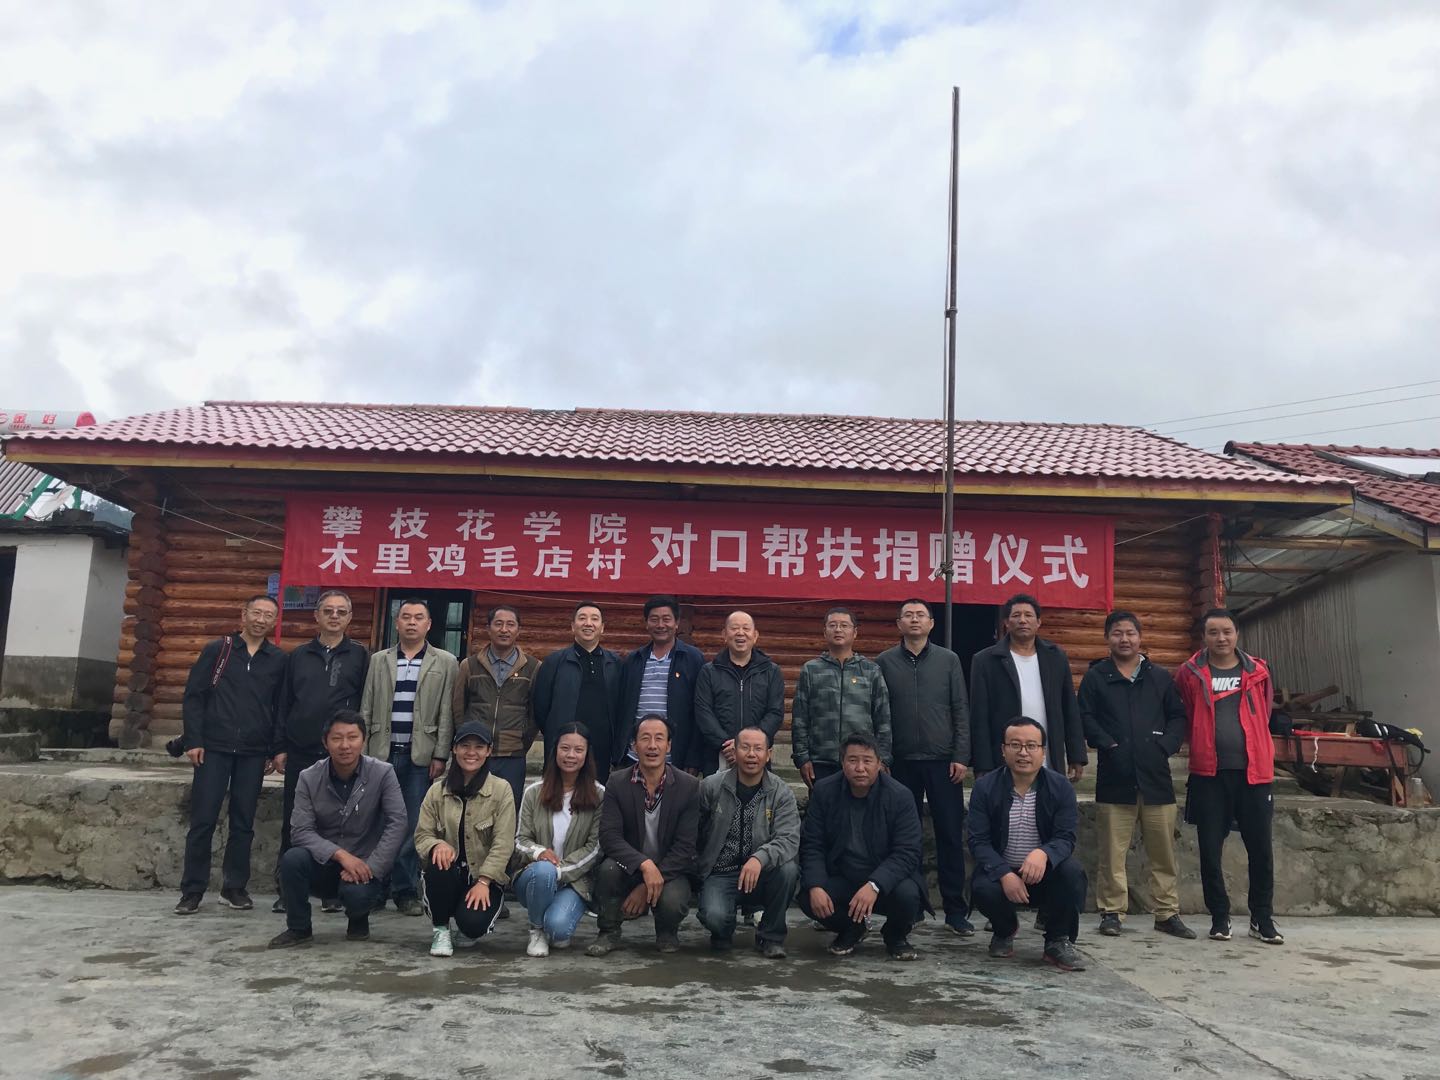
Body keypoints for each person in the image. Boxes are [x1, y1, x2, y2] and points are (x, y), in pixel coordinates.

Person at [1079, 610, 1193, 939]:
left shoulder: (1159, 677)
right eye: (1117, 633)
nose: (1124, 639)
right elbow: (1085, 716)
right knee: (1112, 853)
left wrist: (1165, 746)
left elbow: (1177, 716)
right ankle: (1112, 912)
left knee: (1163, 852)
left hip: (1156, 778)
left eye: (1130, 633)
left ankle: (1166, 913)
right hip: (1115, 777)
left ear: (1140, 638)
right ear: (1107, 638)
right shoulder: (1097, 677)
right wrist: (1107, 744)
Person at [1174, 608, 1283, 946]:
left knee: (1261, 850)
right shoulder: (1189, 673)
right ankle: (1219, 917)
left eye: (1227, 631)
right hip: (1209, 775)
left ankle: (1262, 918)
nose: (1221, 638)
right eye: (1213, 632)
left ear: (1237, 634)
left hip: (1254, 773)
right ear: (1203, 637)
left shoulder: (1258, 671)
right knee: (1210, 849)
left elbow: (1264, 712)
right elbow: (1187, 713)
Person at [174, 594, 286, 916]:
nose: (261, 620)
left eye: (268, 615)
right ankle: (192, 890)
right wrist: (194, 740)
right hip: (213, 748)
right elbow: (194, 696)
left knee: (243, 822)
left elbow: (279, 707)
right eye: (256, 613)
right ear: (244, 614)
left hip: (253, 751)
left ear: (274, 621)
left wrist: (274, 749)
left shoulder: (278, 659)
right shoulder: (218, 650)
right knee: (203, 820)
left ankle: (234, 887)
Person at [268, 710, 408, 948]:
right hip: (323, 863)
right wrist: (341, 856)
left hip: (364, 865)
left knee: (358, 895)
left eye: (352, 737)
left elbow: (398, 822)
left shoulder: (383, 773)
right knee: (292, 860)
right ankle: (299, 928)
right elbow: (301, 831)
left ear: (363, 740)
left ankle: (358, 920)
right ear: (325, 742)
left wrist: (370, 867)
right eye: (337, 738)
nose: (345, 745)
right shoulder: (308, 777)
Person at [876, 598, 974, 936]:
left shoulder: (949, 660)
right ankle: (913, 905)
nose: (915, 620)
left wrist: (961, 755)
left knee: (950, 834)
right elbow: (879, 713)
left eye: (921, 615)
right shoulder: (885, 661)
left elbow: (960, 709)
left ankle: (955, 910)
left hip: (943, 762)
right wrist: (883, 757)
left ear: (931, 623)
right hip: (900, 762)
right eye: (908, 615)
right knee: (906, 836)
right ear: (898, 624)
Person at [268, 589, 369, 914]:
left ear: (349, 618)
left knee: (340, 821)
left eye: (341, 611)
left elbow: (365, 703)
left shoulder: (360, 656)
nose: (334, 616)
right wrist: (280, 746)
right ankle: (288, 890)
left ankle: (331, 890)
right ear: (317, 616)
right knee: (295, 820)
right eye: (328, 611)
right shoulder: (298, 656)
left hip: (342, 754)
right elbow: (284, 702)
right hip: (301, 750)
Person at [360, 598, 460, 916]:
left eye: (419, 617)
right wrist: (363, 751)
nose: (412, 622)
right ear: (397, 622)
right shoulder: (379, 660)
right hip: (381, 752)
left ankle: (404, 889)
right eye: (406, 617)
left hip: (421, 756)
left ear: (429, 624)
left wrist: (441, 753)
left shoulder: (445, 661)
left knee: (413, 823)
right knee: (379, 821)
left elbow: (447, 712)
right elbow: (366, 705)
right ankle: (377, 885)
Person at [968, 717, 1088, 972]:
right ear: (1003, 750)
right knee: (982, 887)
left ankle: (1057, 940)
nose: (1023, 752)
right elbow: (978, 841)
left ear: (1043, 752)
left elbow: (1066, 837)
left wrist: (1044, 853)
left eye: (1031, 746)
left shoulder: (1060, 787)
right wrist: (1004, 873)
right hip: (1003, 875)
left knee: (1072, 873)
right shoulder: (985, 788)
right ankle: (1005, 929)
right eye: (1015, 745)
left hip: (1043, 872)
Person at [798, 733, 928, 961]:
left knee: (908, 895)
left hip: (885, 880)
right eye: (852, 760)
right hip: (844, 876)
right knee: (809, 896)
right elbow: (813, 844)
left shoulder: (900, 796)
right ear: (842, 763)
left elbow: (907, 852)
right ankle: (852, 928)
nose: (860, 768)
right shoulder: (824, 791)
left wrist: (875, 884)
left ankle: (895, 936)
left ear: (879, 764)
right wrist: (816, 885)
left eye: (867, 761)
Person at [586, 715, 700, 956]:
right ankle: (608, 932)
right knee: (608, 870)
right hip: (630, 866)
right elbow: (609, 836)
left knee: (673, 899)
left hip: (671, 868)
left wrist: (645, 887)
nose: (652, 746)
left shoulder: (688, 786)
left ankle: (667, 931)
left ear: (669, 745)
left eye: (659, 738)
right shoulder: (617, 782)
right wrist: (644, 866)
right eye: (645, 738)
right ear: (633, 745)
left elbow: (685, 847)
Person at [413, 721, 518, 957]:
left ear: (489, 751)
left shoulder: (501, 790)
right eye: (465, 746)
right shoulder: (436, 791)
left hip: (482, 877)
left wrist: (484, 881)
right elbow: (422, 834)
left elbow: (503, 843)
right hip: (448, 876)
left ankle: (465, 925)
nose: (471, 752)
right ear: (454, 749)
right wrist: (436, 844)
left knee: (472, 924)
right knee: (439, 861)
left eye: (479, 747)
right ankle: (441, 929)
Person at [696, 725, 801, 959]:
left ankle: (771, 936)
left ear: (768, 754)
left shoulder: (781, 792)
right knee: (715, 917)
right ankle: (723, 931)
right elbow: (694, 831)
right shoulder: (711, 786)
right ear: (734, 751)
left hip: (762, 873)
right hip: (721, 872)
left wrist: (759, 858)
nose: (751, 754)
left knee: (788, 870)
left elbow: (788, 839)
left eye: (758, 749)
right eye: (745, 747)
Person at [512, 722, 606, 956]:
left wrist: (559, 871)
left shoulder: (599, 795)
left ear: (587, 754)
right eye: (565, 748)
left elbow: (595, 848)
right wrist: (538, 853)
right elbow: (520, 839)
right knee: (543, 871)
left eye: (578, 750)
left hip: (574, 881)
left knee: (558, 930)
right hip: (534, 876)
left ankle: (552, 924)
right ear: (555, 751)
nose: (570, 755)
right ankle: (536, 929)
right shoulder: (534, 792)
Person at [969, 594, 1086, 780]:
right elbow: (979, 717)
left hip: (1047, 754)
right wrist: (982, 765)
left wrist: (1076, 755)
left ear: (1038, 622)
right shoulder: (986, 661)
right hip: (1005, 756)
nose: (1022, 620)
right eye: (1016, 615)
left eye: (1028, 615)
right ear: (1006, 622)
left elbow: (1069, 708)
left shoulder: (1055, 657)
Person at [452, 604, 540, 810]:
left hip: (512, 755)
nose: (504, 629)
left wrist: (521, 741)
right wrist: (467, 741)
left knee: (507, 809)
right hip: (475, 752)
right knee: (470, 807)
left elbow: (534, 713)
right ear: (488, 628)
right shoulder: (469, 665)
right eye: (498, 624)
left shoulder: (533, 667)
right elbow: (458, 708)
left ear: (518, 630)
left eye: (510, 624)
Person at [791, 608, 892, 786]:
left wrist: (882, 759)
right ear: (825, 632)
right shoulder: (811, 669)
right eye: (833, 625)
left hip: (860, 761)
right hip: (821, 761)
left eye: (844, 625)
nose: (838, 629)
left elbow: (883, 718)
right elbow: (800, 718)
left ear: (855, 632)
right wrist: (802, 758)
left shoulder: (870, 670)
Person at [618, 596, 705, 771]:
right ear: (646, 623)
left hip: (676, 757)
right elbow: (622, 708)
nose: (660, 625)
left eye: (666, 619)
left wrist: (693, 758)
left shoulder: (692, 659)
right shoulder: (634, 659)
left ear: (676, 623)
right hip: (634, 755)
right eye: (654, 619)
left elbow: (700, 711)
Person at [533, 600, 623, 772]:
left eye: (594, 619)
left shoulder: (614, 664)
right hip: (564, 749)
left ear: (602, 627)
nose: (588, 623)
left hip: (602, 749)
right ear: (573, 626)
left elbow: (620, 707)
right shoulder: (554, 662)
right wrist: (557, 734)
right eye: (582, 618)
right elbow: (540, 709)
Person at [693, 611, 785, 776]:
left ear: (755, 635)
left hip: (757, 755)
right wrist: (727, 745)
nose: (740, 633)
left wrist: (749, 746)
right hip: (719, 755)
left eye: (746, 628)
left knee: (758, 793)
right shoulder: (709, 672)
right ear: (724, 635)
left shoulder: (771, 672)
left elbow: (775, 712)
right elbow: (703, 712)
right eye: (734, 628)